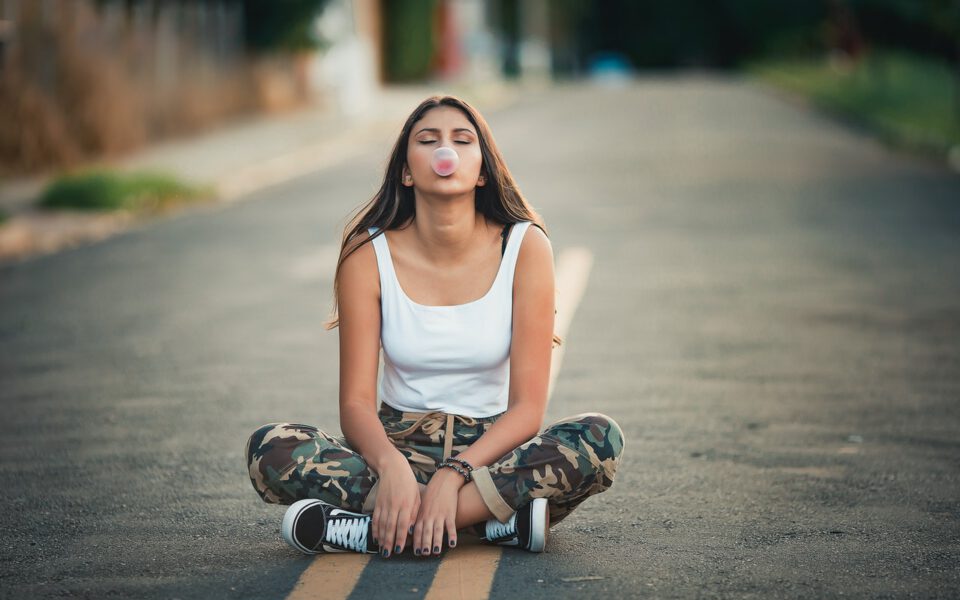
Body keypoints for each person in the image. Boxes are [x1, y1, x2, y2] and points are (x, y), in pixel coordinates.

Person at [244, 95, 625, 558]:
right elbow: (356, 403)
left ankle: (377, 529)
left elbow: (526, 411)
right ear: (407, 169)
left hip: (490, 456)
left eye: (463, 140)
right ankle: (488, 524)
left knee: (598, 439)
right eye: (428, 140)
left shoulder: (525, 246)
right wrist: (391, 468)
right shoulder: (368, 253)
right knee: (272, 448)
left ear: (482, 170)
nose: (446, 151)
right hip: (395, 449)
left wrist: (455, 473)